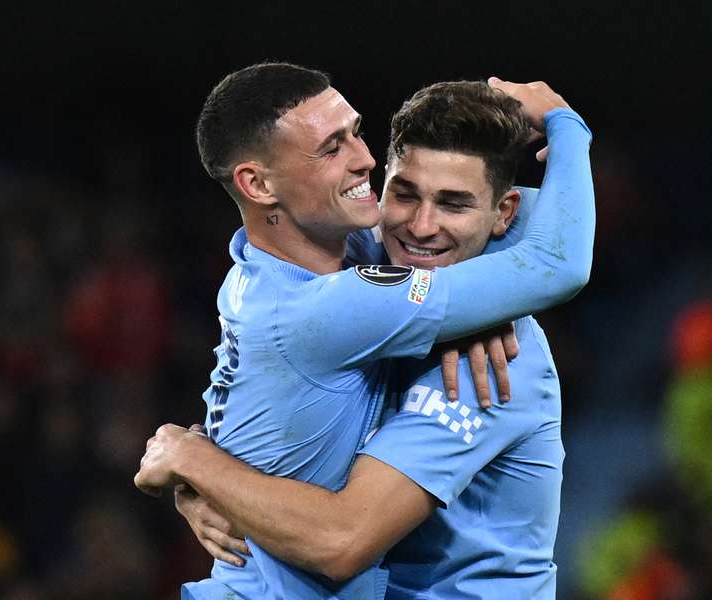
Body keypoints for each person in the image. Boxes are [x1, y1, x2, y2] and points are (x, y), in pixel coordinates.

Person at [136, 63, 594, 599]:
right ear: (257, 184)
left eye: (453, 203)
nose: (420, 226)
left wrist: (195, 463)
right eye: (403, 193)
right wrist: (196, 468)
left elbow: (342, 538)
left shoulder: (493, 360)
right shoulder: (342, 295)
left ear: (503, 212)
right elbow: (553, 252)